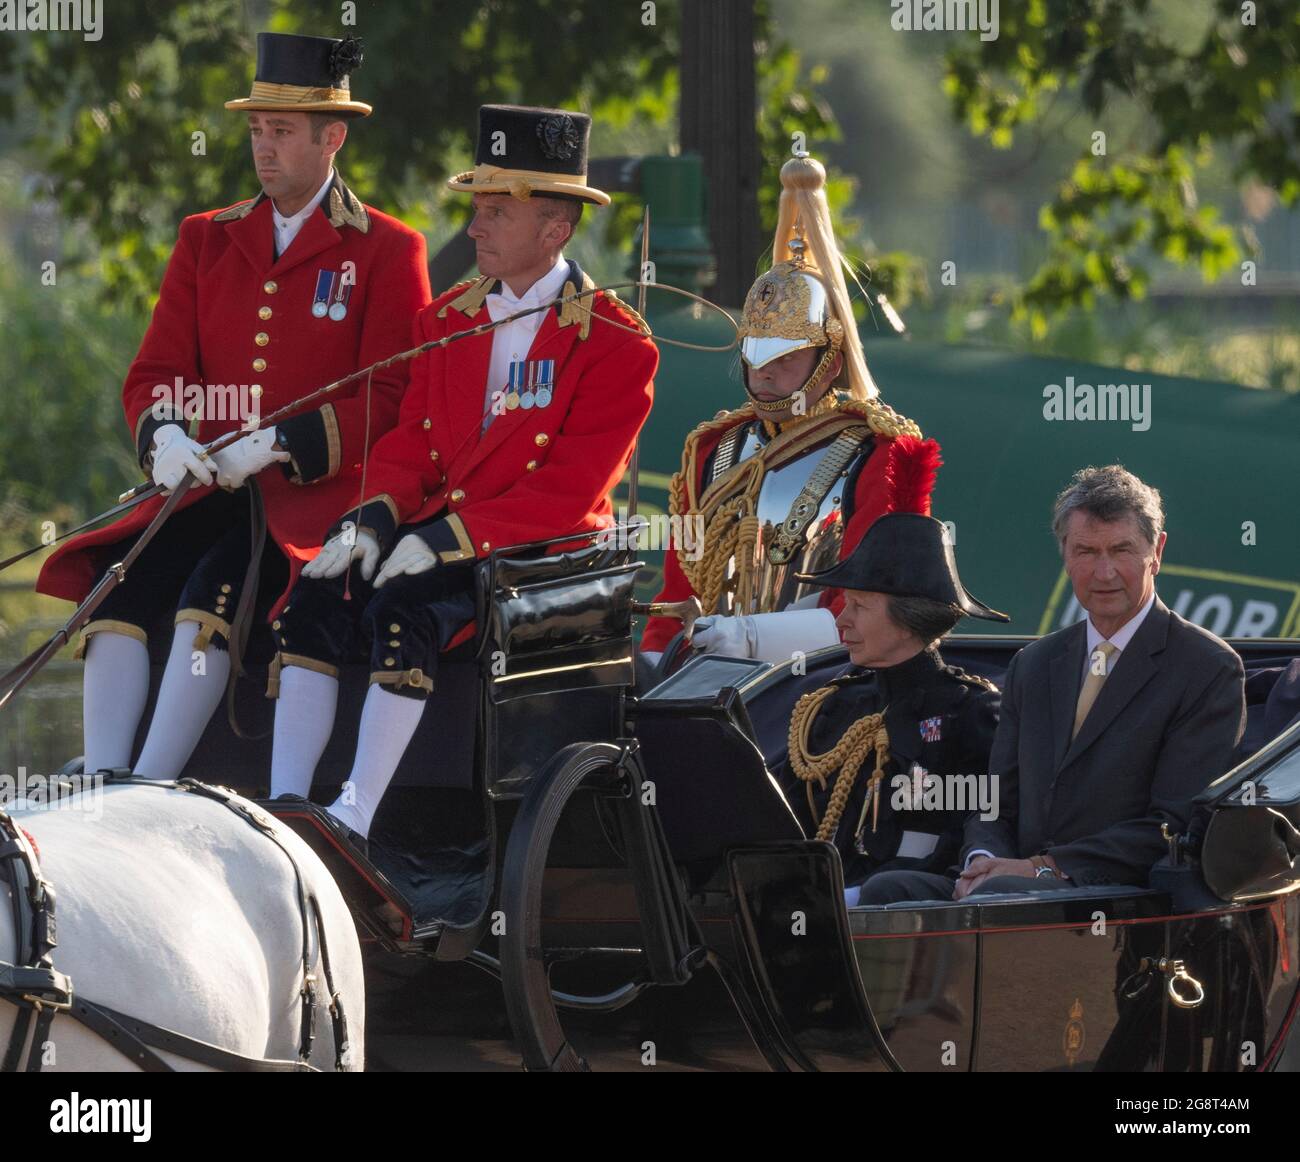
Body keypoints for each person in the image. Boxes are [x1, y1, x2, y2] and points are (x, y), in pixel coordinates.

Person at [35, 32, 432, 779]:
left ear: (332, 137)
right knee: (119, 578)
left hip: (304, 502)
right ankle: (105, 772)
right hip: (203, 486)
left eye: (281, 131)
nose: (264, 147)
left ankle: (150, 782)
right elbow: (154, 371)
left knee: (212, 592)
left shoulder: (386, 248)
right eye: (256, 130)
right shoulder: (206, 239)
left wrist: (284, 442)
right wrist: (165, 438)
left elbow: (396, 396)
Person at [266, 104, 658, 853]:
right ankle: (286, 808)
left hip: (538, 558)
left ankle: (354, 812)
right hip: (441, 532)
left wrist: (448, 538)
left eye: (494, 214)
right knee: (316, 590)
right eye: (475, 210)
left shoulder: (616, 342)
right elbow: (411, 441)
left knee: (405, 606)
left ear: (555, 230)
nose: (474, 229)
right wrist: (372, 521)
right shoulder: (446, 320)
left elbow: (568, 491)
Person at [860, 465, 1246, 905]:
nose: (1104, 573)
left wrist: (1042, 868)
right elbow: (994, 801)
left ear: (1156, 551)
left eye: (1121, 550)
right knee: (887, 892)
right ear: (1064, 553)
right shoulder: (1035, 663)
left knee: (1001, 896)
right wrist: (982, 859)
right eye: (1086, 551)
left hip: (1118, 895)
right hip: (1013, 881)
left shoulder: (1206, 667)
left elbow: (1174, 824)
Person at [640, 152, 940, 669]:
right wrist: (655, 659)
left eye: (788, 355)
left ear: (830, 359)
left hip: (823, 677)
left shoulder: (877, 453)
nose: (765, 372)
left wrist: (751, 637)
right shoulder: (712, 449)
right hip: (704, 676)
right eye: (757, 351)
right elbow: (679, 591)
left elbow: (872, 610)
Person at [777, 514, 1007, 904]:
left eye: (860, 606)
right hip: (810, 903)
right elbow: (783, 814)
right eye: (845, 604)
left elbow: (966, 834)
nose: (842, 619)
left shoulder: (969, 713)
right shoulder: (830, 704)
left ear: (907, 621)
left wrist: (850, 897)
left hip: (900, 920)